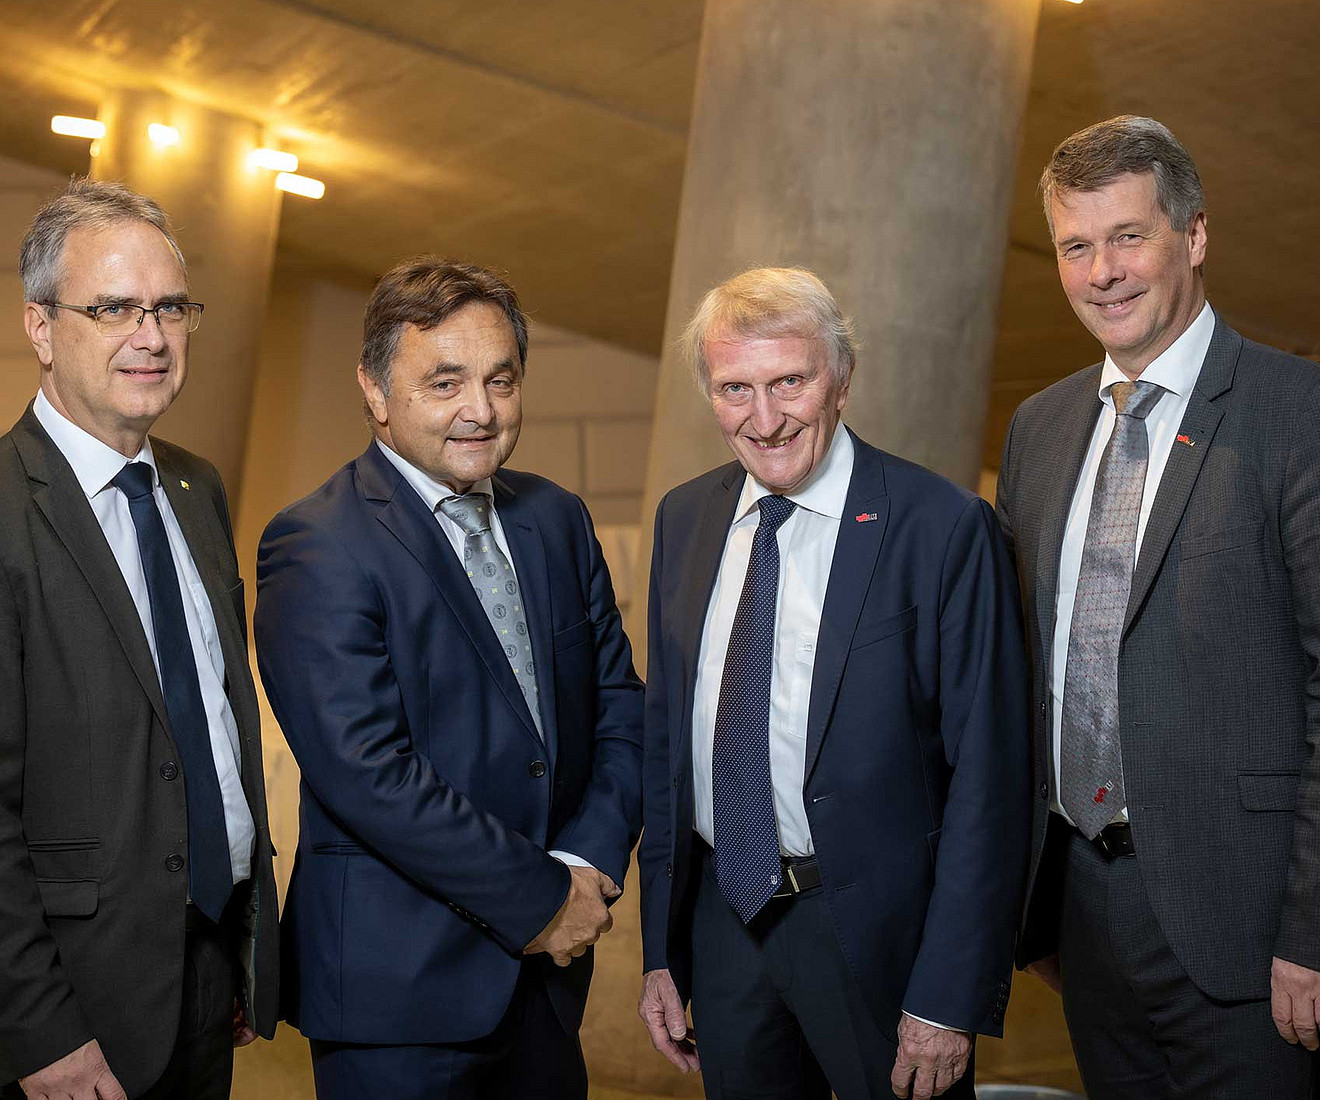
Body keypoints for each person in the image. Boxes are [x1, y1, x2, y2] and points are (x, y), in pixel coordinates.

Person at [636, 267, 1030, 1100]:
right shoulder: (684, 518)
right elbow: (666, 744)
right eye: (735, 388)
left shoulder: (943, 527)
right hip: (726, 920)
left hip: (880, 940)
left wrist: (947, 995)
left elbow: (992, 782)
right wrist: (660, 953)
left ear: (841, 377)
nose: (765, 418)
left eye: (790, 382)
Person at [255, 257, 643, 1099]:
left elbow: (620, 711)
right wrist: (542, 896)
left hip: (546, 984)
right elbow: (368, 775)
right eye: (445, 382)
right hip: (400, 994)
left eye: (501, 380)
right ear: (374, 390)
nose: (481, 410)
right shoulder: (317, 544)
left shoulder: (556, 519)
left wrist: (588, 860)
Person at [996, 115, 1320, 1098]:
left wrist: (1312, 931)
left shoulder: (1294, 412)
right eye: (1076, 245)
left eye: (1128, 235)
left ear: (1196, 235)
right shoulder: (1040, 428)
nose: (1104, 272)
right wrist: (1034, 905)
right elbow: (1021, 672)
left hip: (1256, 932)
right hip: (1085, 921)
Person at [0, 179, 279, 1099]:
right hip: (72, 1008)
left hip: (204, 973)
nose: (150, 336)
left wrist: (237, 948)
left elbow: (207, 729)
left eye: (169, 307)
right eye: (113, 307)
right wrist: (38, 1034)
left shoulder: (197, 491)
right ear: (41, 326)